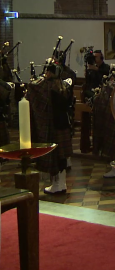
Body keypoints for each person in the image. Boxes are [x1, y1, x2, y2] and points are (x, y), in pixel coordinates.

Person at [29, 64, 73, 194]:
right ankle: (62, 184)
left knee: (56, 156)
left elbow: (32, 87)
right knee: (62, 156)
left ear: (49, 72)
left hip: (53, 124)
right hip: (64, 122)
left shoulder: (47, 86)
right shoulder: (63, 85)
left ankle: (56, 185)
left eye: (46, 71)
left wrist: (41, 78)